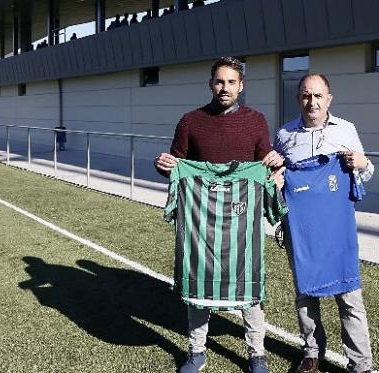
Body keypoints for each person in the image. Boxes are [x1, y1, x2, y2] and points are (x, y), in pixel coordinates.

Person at [155, 57, 284, 373]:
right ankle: (196, 352)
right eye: (219, 81)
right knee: (201, 286)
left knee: (249, 290)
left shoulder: (256, 121)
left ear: (241, 86)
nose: (224, 88)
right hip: (203, 221)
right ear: (211, 83)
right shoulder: (190, 121)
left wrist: (275, 166)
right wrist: (164, 167)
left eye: (231, 82)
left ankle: (257, 354)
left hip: (242, 221)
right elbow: (177, 163)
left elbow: (264, 161)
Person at [273, 73, 376, 373]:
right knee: (306, 293)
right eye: (306, 95)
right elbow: (276, 177)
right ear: (298, 99)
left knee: (349, 295)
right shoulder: (284, 135)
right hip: (300, 231)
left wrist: (363, 164)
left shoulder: (346, 130)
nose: (312, 101)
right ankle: (311, 354)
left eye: (318, 95)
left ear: (329, 98)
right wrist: (275, 179)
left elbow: (365, 171)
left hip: (336, 230)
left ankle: (361, 364)